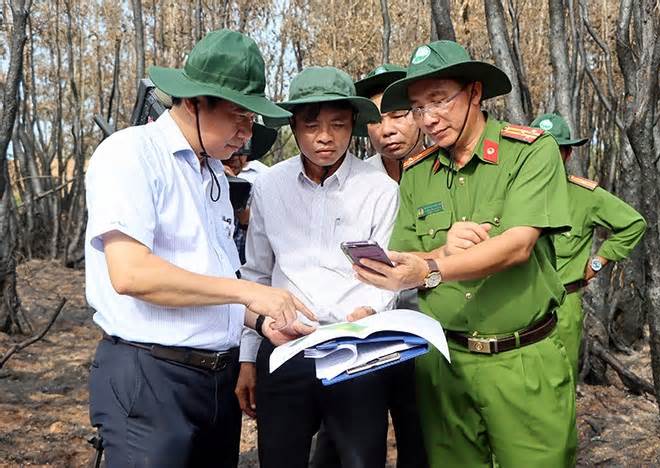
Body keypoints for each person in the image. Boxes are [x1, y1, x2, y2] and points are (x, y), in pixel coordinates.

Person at [85, 29, 315, 468]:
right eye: (237, 117)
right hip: (150, 377)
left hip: (215, 382)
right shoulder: (131, 154)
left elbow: (213, 279)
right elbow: (131, 274)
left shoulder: (210, 172)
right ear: (193, 102)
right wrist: (250, 293)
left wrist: (263, 321)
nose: (246, 134)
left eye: (252, 121)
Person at [354, 40, 577, 467]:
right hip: (444, 366)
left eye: (439, 100)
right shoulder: (419, 173)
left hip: (521, 362)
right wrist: (436, 253)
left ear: (475, 93)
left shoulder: (529, 153)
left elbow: (517, 246)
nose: (429, 119)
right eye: (418, 108)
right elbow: (406, 253)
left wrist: (433, 266)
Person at [234, 66, 399, 468]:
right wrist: (247, 358)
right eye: (312, 126)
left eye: (338, 125)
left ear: (354, 126)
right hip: (286, 347)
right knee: (279, 457)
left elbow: (388, 276)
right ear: (293, 126)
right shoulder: (270, 186)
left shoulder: (379, 190)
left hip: (357, 352)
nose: (325, 137)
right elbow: (256, 274)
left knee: (360, 460)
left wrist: (372, 312)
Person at [311, 64, 429, 468]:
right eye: (377, 120)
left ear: (417, 115)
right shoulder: (352, 183)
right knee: (342, 442)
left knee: (420, 435)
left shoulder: (442, 176)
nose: (387, 130)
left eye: (397, 115)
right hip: (362, 335)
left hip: (424, 332)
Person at [531, 113, 646, 376]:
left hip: (563, 304)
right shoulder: (512, 194)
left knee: (561, 380)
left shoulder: (585, 196)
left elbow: (634, 223)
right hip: (517, 304)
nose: (544, 157)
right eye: (537, 149)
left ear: (567, 154)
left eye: (553, 150)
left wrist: (598, 261)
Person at [223, 122, 278, 264]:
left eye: (242, 150)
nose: (234, 157)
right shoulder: (204, 175)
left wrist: (235, 194)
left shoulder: (263, 179)